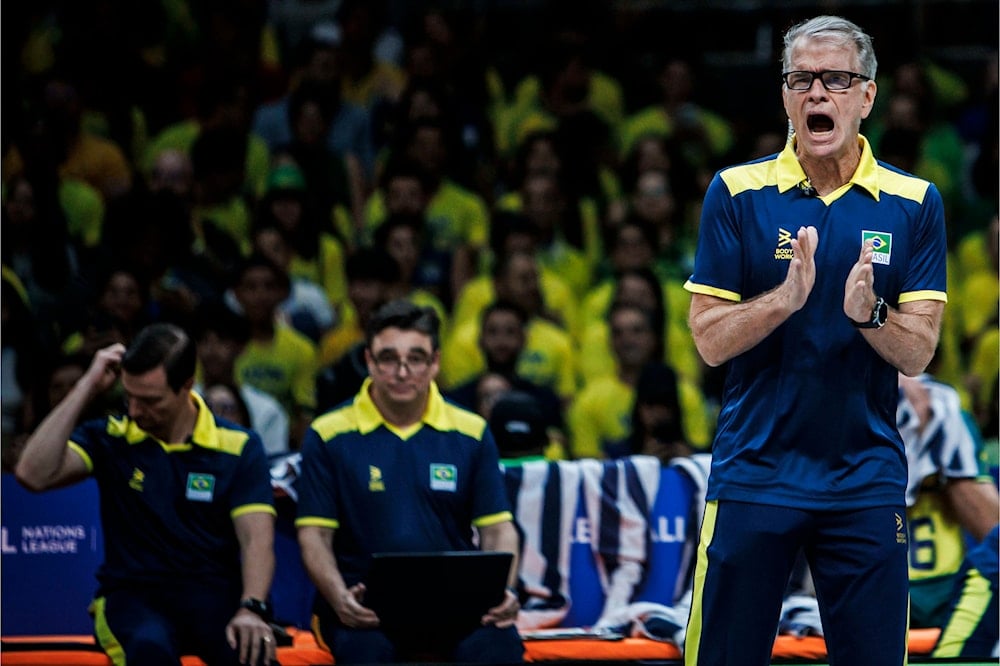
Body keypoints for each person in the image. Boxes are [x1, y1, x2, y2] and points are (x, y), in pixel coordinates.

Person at [682, 16, 947, 666]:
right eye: (801, 79)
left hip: (863, 479)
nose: (817, 93)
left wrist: (870, 314)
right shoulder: (737, 193)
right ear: (784, 95)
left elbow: (918, 352)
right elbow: (709, 341)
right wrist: (784, 302)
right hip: (754, 474)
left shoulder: (914, 202)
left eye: (835, 78)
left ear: (867, 95)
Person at [14, 323, 278, 666]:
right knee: (149, 651)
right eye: (129, 397)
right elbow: (32, 474)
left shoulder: (239, 446)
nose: (136, 411)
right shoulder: (111, 436)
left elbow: (256, 540)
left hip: (213, 594)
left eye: (150, 400)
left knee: (253, 656)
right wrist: (87, 386)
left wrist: (252, 608)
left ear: (186, 385)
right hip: (134, 597)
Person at [295, 299, 524, 663]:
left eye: (416, 358)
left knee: (500, 650)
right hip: (362, 609)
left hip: (458, 606)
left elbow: (498, 528)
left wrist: (505, 590)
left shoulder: (472, 432)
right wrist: (339, 597)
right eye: (388, 358)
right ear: (369, 361)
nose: (402, 372)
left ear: (435, 363)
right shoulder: (327, 434)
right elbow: (314, 535)